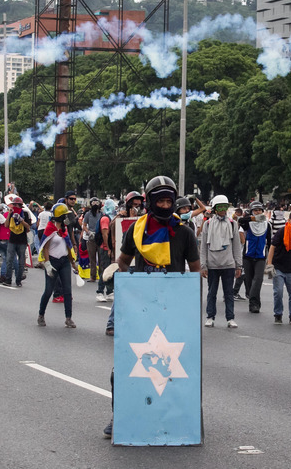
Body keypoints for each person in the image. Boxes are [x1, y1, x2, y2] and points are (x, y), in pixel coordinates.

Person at [103, 175, 201, 439]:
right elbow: (123, 262)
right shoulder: (135, 231)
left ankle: (186, 418)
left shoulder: (185, 233)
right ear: (151, 202)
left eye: (170, 200)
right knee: (124, 368)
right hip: (141, 310)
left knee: (181, 367)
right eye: (161, 200)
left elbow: (194, 273)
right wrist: (126, 281)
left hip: (174, 311)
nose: (166, 205)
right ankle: (119, 416)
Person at [199, 195, 242, 329]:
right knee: (212, 292)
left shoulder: (232, 223)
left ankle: (230, 318)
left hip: (228, 264)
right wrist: (203, 265)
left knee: (229, 293)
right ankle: (210, 316)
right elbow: (203, 246)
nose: (223, 210)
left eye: (225, 207)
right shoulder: (208, 224)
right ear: (215, 209)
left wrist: (238, 265)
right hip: (212, 264)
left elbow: (236, 245)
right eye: (220, 207)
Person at [37, 203, 79, 327]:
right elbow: (45, 247)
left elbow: (67, 246)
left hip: (64, 261)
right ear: (59, 216)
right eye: (64, 215)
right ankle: (41, 315)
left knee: (67, 290)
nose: (66, 218)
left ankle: (68, 318)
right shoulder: (50, 228)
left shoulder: (63, 229)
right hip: (53, 261)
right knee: (48, 290)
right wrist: (47, 263)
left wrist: (73, 263)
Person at [237, 201, 271, 313]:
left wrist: (271, 259)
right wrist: (253, 219)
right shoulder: (248, 224)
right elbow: (240, 221)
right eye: (255, 210)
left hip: (261, 257)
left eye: (260, 210)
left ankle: (254, 304)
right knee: (249, 280)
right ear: (251, 211)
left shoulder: (267, 225)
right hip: (247, 256)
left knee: (258, 279)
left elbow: (270, 242)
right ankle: (253, 300)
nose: (258, 212)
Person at [3, 196, 32, 287]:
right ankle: (8, 279)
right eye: (14, 204)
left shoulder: (26, 214)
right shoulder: (11, 213)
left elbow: (28, 227)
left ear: (20, 206)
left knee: (21, 261)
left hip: (22, 240)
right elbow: (6, 225)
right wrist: (9, 214)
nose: (15, 206)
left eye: (17, 205)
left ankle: (18, 280)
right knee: (9, 260)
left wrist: (21, 220)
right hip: (12, 239)